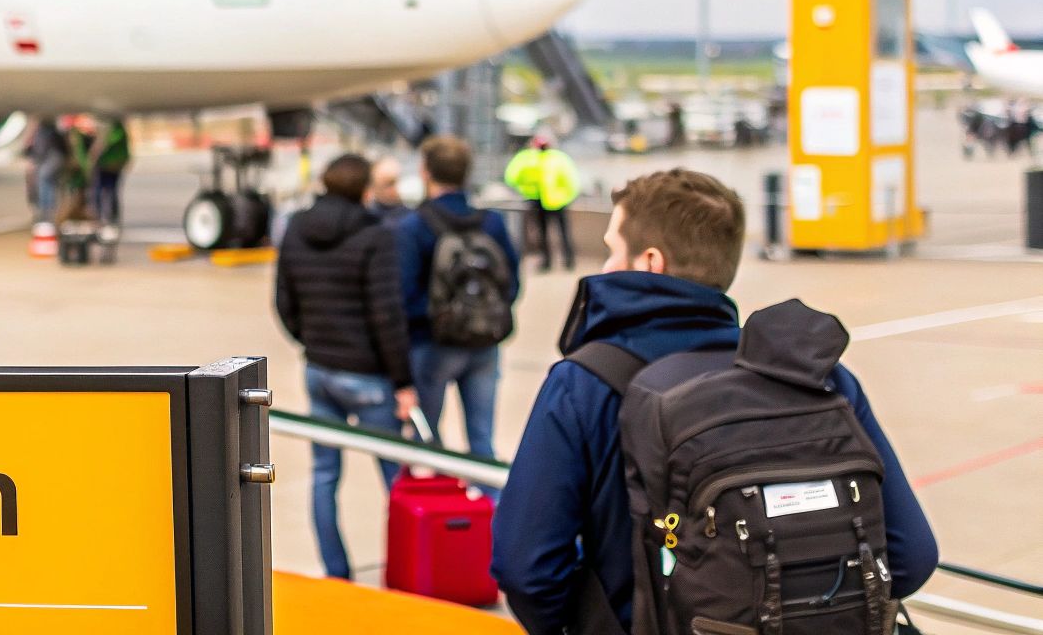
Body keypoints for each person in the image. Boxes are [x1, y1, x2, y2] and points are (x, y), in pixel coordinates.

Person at [491, 169, 937, 635]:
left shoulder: (586, 382)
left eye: (611, 249)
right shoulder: (821, 377)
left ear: (650, 261)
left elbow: (526, 566)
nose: (604, 268)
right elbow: (911, 555)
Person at [275, 153, 416, 582]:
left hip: (319, 370)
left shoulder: (297, 226)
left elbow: (284, 300)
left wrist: (311, 340)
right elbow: (386, 314)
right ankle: (409, 568)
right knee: (396, 478)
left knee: (323, 476)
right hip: (369, 375)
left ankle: (336, 574)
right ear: (363, 188)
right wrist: (404, 382)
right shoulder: (376, 234)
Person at [395, 136, 519, 460]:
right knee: (481, 439)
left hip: (432, 343)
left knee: (429, 439)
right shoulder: (492, 222)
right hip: (485, 342)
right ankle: (489, 505)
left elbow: (404, 294)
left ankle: (440, 505)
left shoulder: (413, 225)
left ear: (425, 172)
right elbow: (511, 281)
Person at [504, 134, 580, 272]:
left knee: (547, 233)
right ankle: (567, 261)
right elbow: (572, 181)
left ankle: (550, 262)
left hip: (542, 200)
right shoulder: (559, 158)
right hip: (556, 200)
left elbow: (512, 177)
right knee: (561, 232)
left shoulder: (527, 158)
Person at [90, 115, 132, 226]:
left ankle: (104, 216)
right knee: (107, 190)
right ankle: (106, 216)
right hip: (110, 164)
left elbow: (105, 144)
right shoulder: (115, 129)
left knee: (105, 190)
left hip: (109, 164)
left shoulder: (114, 130)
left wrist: (95, 154)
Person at [27, 117, 65, 223]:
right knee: (46, 182)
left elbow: (40, 150)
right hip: (48, 158)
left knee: (44, 180)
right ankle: (47, 211)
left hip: (50, 158)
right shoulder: (44, 131)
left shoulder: (46, 132)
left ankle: (47, 212)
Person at [366, 157, 410, 225]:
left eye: (394, 183)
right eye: (388, 184)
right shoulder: (368, 216)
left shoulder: (410, 217)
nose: (394, 189)